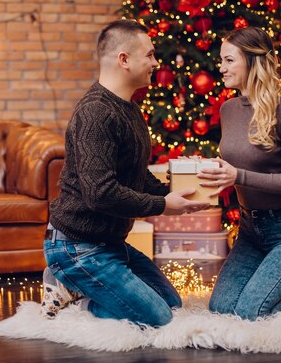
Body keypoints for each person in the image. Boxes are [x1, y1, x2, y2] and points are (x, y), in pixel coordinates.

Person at [41, 19, 210, 327]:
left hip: (109, 243)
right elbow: (100, 193)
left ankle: (88, 290)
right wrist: (162, 206)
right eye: (150, 55)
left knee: (171, 304)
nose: (156, 63)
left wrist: (174, 196)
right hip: (76, 246)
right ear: (124, 59)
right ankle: (72, 296)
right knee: (157, 318)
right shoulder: (95, 113)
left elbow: (136, 176)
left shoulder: (129, 109)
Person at [198, 26, 281, 321]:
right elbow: (236, 161)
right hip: (250, 230)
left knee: (251, 311)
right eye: (221, 60)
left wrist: (238, 176)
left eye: (229, 60)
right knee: (221, 309)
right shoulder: (228, 109)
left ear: (252, 60)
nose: (221, 68)